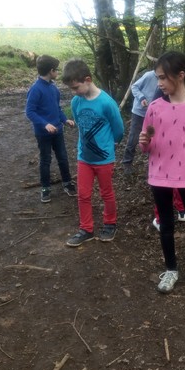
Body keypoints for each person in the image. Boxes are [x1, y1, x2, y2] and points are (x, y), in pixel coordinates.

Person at [139, 51, 185, 294]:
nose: (159, 83)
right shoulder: (154, 108)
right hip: (159, 173)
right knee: (166, 224)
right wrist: (143, 142)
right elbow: (146, 145)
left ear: (180, 76)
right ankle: (171, 269)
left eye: (163, 77)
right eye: (157, 78)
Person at [62, 59, 124, 247]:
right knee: (83, 194)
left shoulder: (106, 103)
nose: (74, 92)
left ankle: (110, 224)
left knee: (106, 193)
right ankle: (86, 229)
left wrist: (110, 144)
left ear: (87, 80)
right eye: (71, 89)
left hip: (104, 159)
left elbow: (118, 129)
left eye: (76, 87)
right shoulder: (76, 102)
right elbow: (80, 125)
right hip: (84, 157)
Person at [26, 54, 76, 203]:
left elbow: (57, 108)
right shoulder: (35, 89)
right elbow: (30, 112)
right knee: (45, 160)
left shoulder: (54, 88)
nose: (57, 72)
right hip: (43, 134)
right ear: (51, 71)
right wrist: (45, 124)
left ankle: (67, 182)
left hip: (58, 131)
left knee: (63, 157)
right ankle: (45, 188)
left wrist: (64, 120)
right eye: (56, 70)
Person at [122, 69, 158, 174]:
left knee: (153, 138)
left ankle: (153, 164)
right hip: (139, 112)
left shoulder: (167, 78)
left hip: (154, 114)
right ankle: (127, 163)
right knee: (133, 137)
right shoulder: (149, 75)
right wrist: (141, 98)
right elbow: (134, 87)